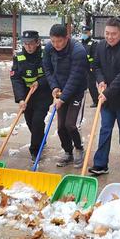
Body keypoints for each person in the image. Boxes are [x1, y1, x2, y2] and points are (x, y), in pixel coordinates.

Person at [88, 17, 120, 175]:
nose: (110, 37)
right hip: (106, 99)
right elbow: (96, 66)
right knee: (105, 129)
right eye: (107, 33)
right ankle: (101, 164)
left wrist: (107, 93)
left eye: (113, 34)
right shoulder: (100, 46)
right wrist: (101, 80)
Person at [43, 24, 88, 167]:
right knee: (61, 127)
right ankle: (68, 151)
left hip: (77, 91)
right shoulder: (49, 48)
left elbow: (75, 77)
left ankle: (79, 148)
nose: (56, 45)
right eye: (53, 41)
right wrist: (54, 86)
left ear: (66, 38)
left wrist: (62, 99)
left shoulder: (78, 50)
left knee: (71, 124)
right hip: (61, 90)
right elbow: (48, 69)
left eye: (59, 41)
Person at [11, 30, 53, 161]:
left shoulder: (45, 55)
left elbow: (51, 74)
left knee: (37, 121)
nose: (28, 46)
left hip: (42, 94)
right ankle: (40, 138)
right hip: (26, 95)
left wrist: (39, 82)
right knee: (30, 121)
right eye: (25, 43)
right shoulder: (19, 57)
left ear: (38, 42)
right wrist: (20, 99)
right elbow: (16, 78)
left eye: (31, 43)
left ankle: (35, 150)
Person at [81, 24, 99, 108]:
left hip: (90, 68)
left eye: (86, 32)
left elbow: (94, 56)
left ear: (89, 33)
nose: (84, 34)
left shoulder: (93, 43)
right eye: (83, 32)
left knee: (91, 85)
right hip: (82, 68)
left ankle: (96, 100)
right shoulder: (81, 43)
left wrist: (92, 67)